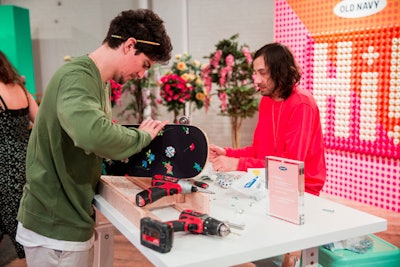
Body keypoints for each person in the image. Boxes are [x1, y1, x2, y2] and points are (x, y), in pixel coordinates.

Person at [16, 9, 172, 266]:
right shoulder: (77, 77)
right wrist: (141, 137)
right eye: (144, 64)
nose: (142, 74)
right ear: (129, 45)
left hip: (68, 218)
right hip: (56, 227)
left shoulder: (98, 81)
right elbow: (93, 135)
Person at [209, 43, 326, 196]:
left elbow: (290, 166)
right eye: (255, 73)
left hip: (301, 191)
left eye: (262, 73)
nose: (256, 80)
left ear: (281, 71)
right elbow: (258, 151)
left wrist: (237, 164)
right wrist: (227, 153)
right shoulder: (266, 102)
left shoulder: (302, 104)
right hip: (269, 183)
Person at [0, 51, 38, 259]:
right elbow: (40, 122)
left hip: (3, 167)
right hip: (26, 162)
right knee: (23, 228)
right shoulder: (21, 89)